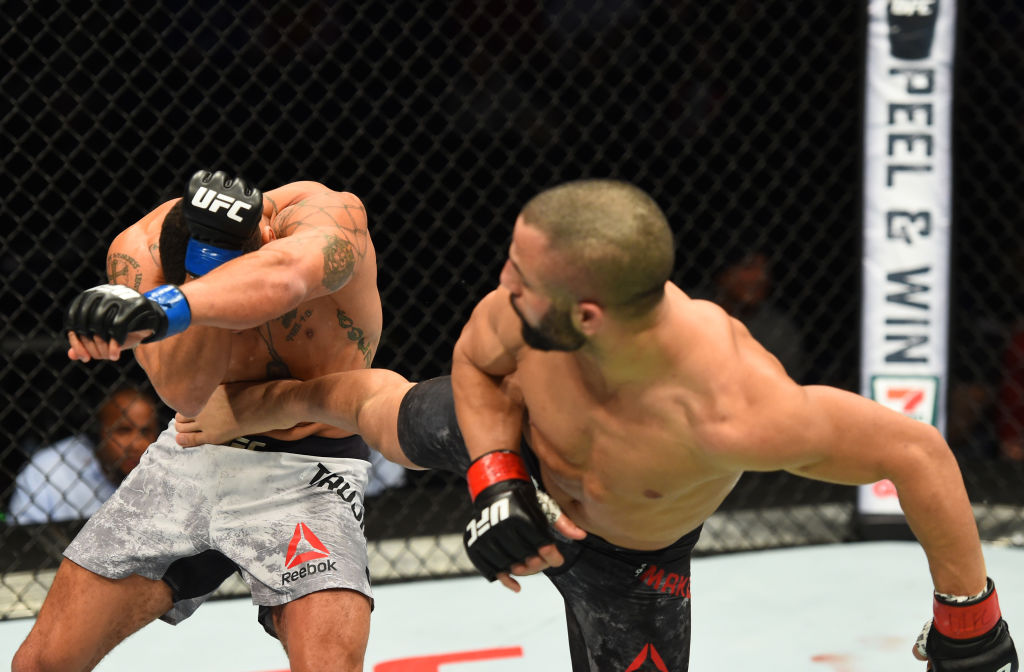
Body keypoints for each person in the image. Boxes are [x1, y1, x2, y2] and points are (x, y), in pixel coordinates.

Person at [172, 179, 1018, 672]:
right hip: (521, 440)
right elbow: (475, 362)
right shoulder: (527, 310)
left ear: (586, 314)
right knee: (373, 409)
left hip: (629, 553)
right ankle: (266, 407)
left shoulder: (734, 405)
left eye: (519, 275)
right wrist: (497, 477)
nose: (501, 283)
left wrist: (967, 616)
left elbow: (915, 450)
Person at [13, 170, 383, 672]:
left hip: (311, 467)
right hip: (192, 451)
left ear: (266, 235)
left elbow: (286, 277)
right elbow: (185, 393)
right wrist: (195, 282)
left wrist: (172, 306)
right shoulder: (138, 252)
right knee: (41, 664)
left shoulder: (322, 215)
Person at [7, 386, 159, 525]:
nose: (137, 444)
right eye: (123, 430)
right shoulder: (48, 470)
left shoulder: (166, 469)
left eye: (145, 432)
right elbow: (18, 543)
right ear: (96, 432)